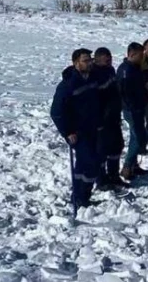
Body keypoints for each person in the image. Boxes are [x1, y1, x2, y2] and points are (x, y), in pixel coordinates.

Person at [51, 48, 103, 208]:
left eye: (90, 60)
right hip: (77, 132)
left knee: (83, 164)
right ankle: (80, 196)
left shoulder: (92, 78)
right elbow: (56, 112)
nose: (89, 63)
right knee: (92, 163)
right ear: (76, 63)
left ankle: (81, 196)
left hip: (92, 128)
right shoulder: (68, 84)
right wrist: (67, 132)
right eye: (85, 61)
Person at [90, 47, 128, 190]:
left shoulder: (111, 70)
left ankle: (114, 176)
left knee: (116, 147)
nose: (109, 61)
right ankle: (101, 179)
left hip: (114, 116)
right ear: (98, 58)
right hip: (101, 119)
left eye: (110, 58)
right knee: (102, 150)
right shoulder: (93, 74)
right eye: (106, 59)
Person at [117, 42, 148, 180]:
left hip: (138, 106)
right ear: (132, 54)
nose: (143, 58)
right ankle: (127, 166)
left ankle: (133, 165)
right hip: (131, 109)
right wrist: (129, 105)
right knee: (138, 137)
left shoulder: (136, 68)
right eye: (140, 55)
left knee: (135, 136)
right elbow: (123, 91)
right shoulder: (126, 70)